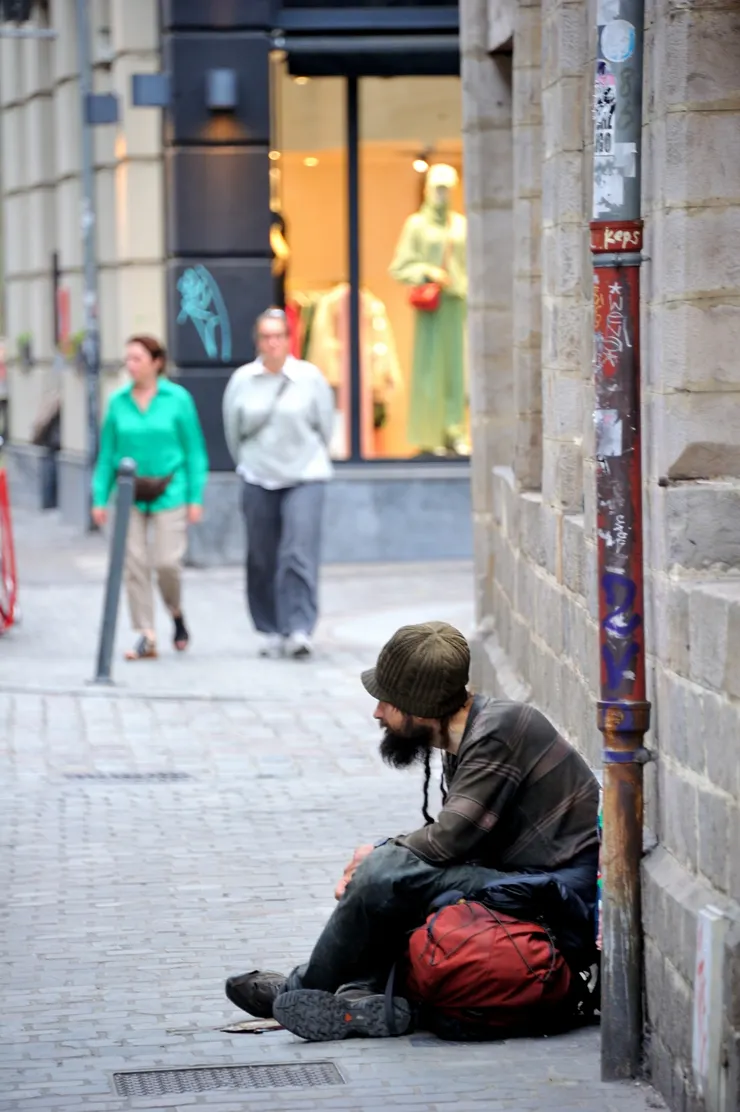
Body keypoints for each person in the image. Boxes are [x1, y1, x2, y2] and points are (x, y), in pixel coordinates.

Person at [225, 621, 600, 1042]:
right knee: (394, 877)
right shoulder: (475, 731)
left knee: (387, 871)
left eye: (388, 701)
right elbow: (451, 846)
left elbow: (447, 841)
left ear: (420, 710)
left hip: (554, 893)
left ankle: (303, 988)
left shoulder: (498, 733)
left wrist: (380, 856)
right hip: (519, 879)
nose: (377, 712)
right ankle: (360, 996)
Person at [222, 308, 334, 660]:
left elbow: (325, 425)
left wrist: (309, 458)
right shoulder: (243, 379)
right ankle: (270, 628)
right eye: (266, 336)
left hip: (305, 475)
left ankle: (299, 628)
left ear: (289, 340)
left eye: (279, 336)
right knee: (261, 555)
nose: (272, 343)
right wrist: (250, 463)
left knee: (297, 553)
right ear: (257, 341)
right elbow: (232, 432)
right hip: (258, 474)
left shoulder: (309, 377)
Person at [92, 335, 208, 661]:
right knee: (134, 564)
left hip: (171, 489)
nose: (130, 365)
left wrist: (195, 497)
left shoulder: (178, 399)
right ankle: (146, 633)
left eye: (137, 359)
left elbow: (195, 451)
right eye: (127, 359)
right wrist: (99, 498)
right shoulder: (118, 402)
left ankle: (175, 612)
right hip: (129, 492)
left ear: (156, 362)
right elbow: (107, 454)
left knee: (167, 563)